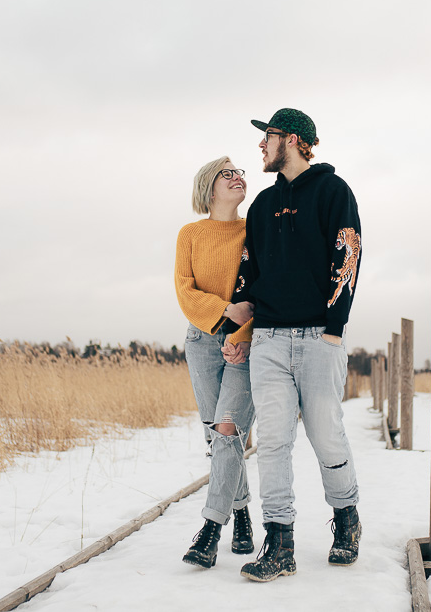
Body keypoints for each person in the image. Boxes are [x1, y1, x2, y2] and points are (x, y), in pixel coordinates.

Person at [227, 108, 363, 582]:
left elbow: (348, 252)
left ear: (293, 140)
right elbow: (250, 270)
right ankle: (279, 544)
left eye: (267, 137)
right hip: (268, 339)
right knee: (273, 443)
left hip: (316, 338)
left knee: (326, 435)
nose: (261, 146)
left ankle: (346, 518)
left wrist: (333, 328)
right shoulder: (263, 205)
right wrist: (238, 326)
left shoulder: (333, 191)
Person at [174, 156, 257, 569]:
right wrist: (226, 310)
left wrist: (241, 336)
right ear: (209, 187)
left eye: (240, 172)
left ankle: (210, 529)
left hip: (246, 345)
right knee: (217, 436)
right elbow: (185, 292)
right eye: (229, 173)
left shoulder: (254, 229)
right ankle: (241, 512)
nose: (239, 177)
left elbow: (263, 286)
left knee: (228, 429)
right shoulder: (190, 234)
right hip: (202, 341)